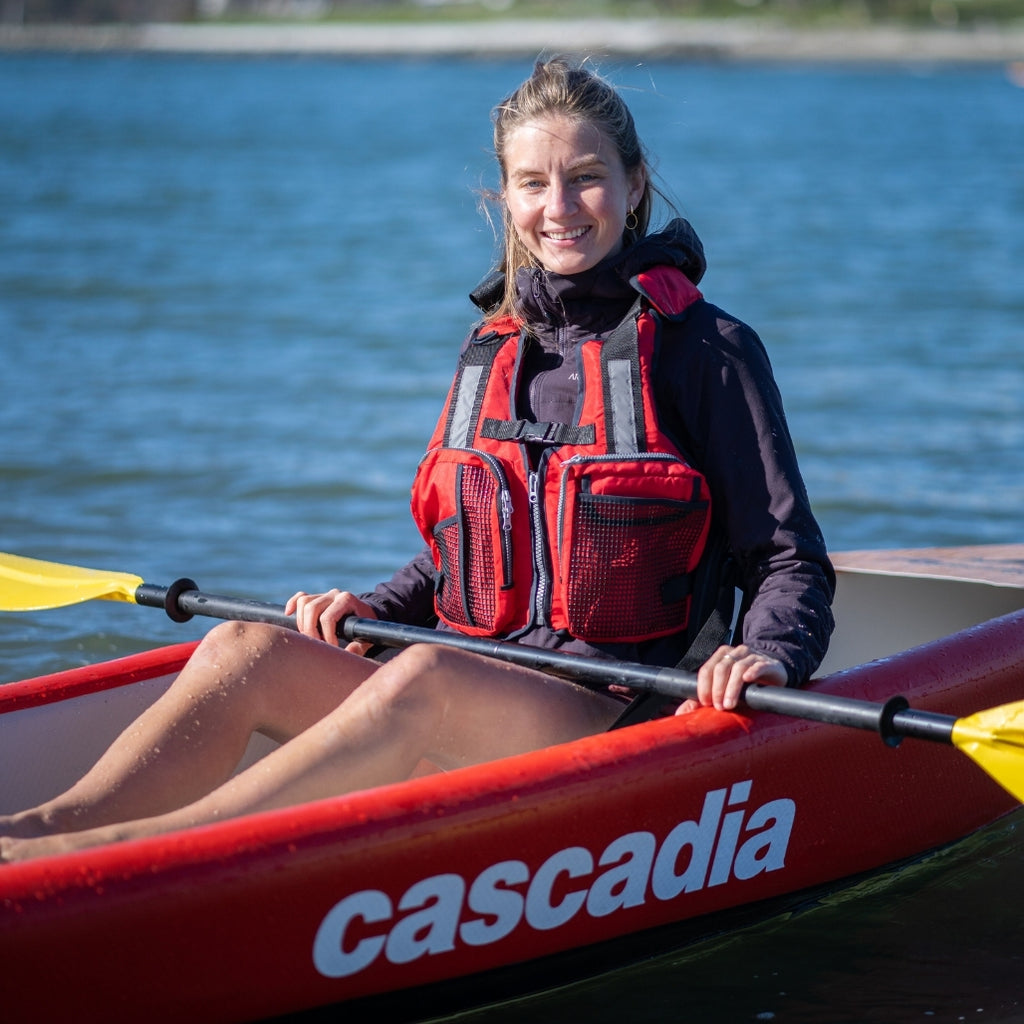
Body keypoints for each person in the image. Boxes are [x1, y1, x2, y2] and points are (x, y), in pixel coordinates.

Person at [1, 57, 834, 864]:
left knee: (428, 673)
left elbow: (791, 560)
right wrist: (370, 607)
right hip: (473, 687)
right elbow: (464, 549)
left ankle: (131, 861)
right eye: (534, 183)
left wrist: (767, 655)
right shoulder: (491, 348)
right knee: (241, 648)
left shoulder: (708, 351)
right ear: (503, 198)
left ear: (635, 183)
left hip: (622, 718)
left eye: (585, 177)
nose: (560, 206)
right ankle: (39, 834)